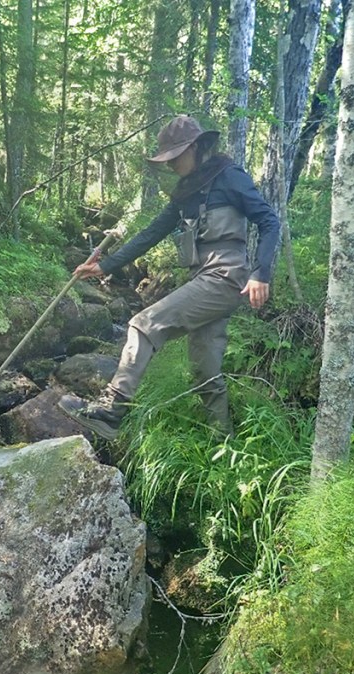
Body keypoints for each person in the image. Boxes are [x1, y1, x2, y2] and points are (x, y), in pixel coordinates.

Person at [60, 115, 280, 439]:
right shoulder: (185, 193)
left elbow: (269, 221)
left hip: (225, 277)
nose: (172, 164)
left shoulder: (229, 176)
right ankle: (224, 445)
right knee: (205, 371)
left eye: (175, 157)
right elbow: (150, 234)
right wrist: (105, 266)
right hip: (204, 280)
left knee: (143, 324)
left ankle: (112, 407)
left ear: (194, 148)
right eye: (168, 160)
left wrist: (261, 273)